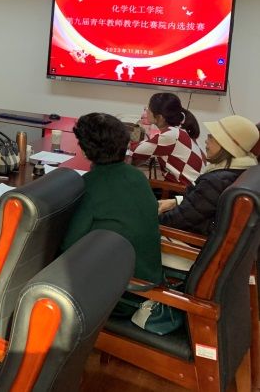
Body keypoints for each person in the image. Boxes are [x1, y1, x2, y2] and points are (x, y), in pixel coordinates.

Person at [61, 113, 163, 315]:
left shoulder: (90, 185)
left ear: (84, 149)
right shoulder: (137, 176)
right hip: (148, 279)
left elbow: (68, 247)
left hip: (122, 294)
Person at [159, 115, 259, 236]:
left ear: (225, 145)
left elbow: (175, 221)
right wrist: (175, 201)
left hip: (189, 240)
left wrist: (147, 219)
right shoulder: (242, 169)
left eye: (211, 137)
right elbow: (201, 203)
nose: (206, 141)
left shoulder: (215, 181)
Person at [129, 92, 205, 185]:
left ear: (160, 117)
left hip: (184, 191)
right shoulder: (181, 130)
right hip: (195, 188)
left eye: (149, 108)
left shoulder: (171, 135)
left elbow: (134, 150)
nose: (146, 111)